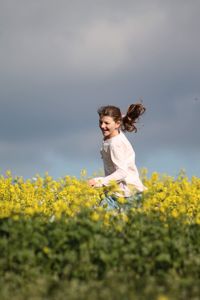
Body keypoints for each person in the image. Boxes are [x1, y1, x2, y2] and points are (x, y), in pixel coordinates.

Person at [88, 103, 147, 211]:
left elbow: (122, 172)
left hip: (128, 194)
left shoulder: (115, 144)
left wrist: (99, 182)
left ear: (117, 124)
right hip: (117, 191)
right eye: (100, 122)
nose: (102, 126)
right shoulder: (112, 135)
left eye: (106, 123)